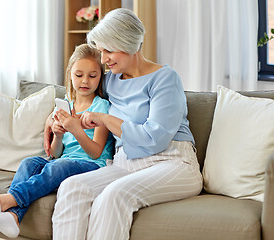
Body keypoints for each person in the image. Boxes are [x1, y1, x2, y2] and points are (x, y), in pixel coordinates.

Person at [44, 8, 203, 240]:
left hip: (172, 161)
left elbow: (154, 138)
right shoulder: (110, 81)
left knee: (114, 195)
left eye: (109, 50)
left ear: (128, 44)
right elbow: (77, 92)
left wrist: (104, 119)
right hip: (125, 164)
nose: (103, 59)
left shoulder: (165, 79)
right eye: (101, 51)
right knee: (72, 188)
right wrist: (53, 119)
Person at [0, 43, 114, 238]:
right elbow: (56, 153)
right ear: (70, 74)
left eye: (92, 76)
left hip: (93, 165)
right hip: (65, 162)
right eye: (79, 75)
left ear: (100, 77)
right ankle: (13, 217)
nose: (85, 81)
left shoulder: (101, 106)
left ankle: (5, 200)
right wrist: (58, 134)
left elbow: (95, 152)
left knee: (59, 167)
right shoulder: (65, 105)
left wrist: (75, 129)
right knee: (30, 163)